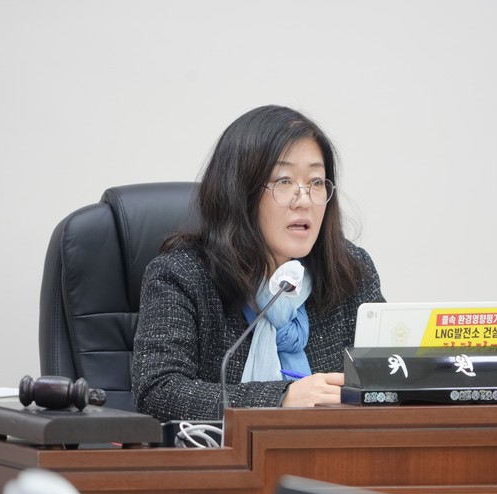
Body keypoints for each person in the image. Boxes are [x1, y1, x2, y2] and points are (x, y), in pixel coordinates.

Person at [131, 105, 385, 422]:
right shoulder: (182, 275)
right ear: (240, 191)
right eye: (284, 180)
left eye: (316, 182)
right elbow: (158, 392)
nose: (304, 199)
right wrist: (281, 399)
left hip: (337, 450)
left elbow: (389, 378)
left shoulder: (350, 270)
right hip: (221, 452)